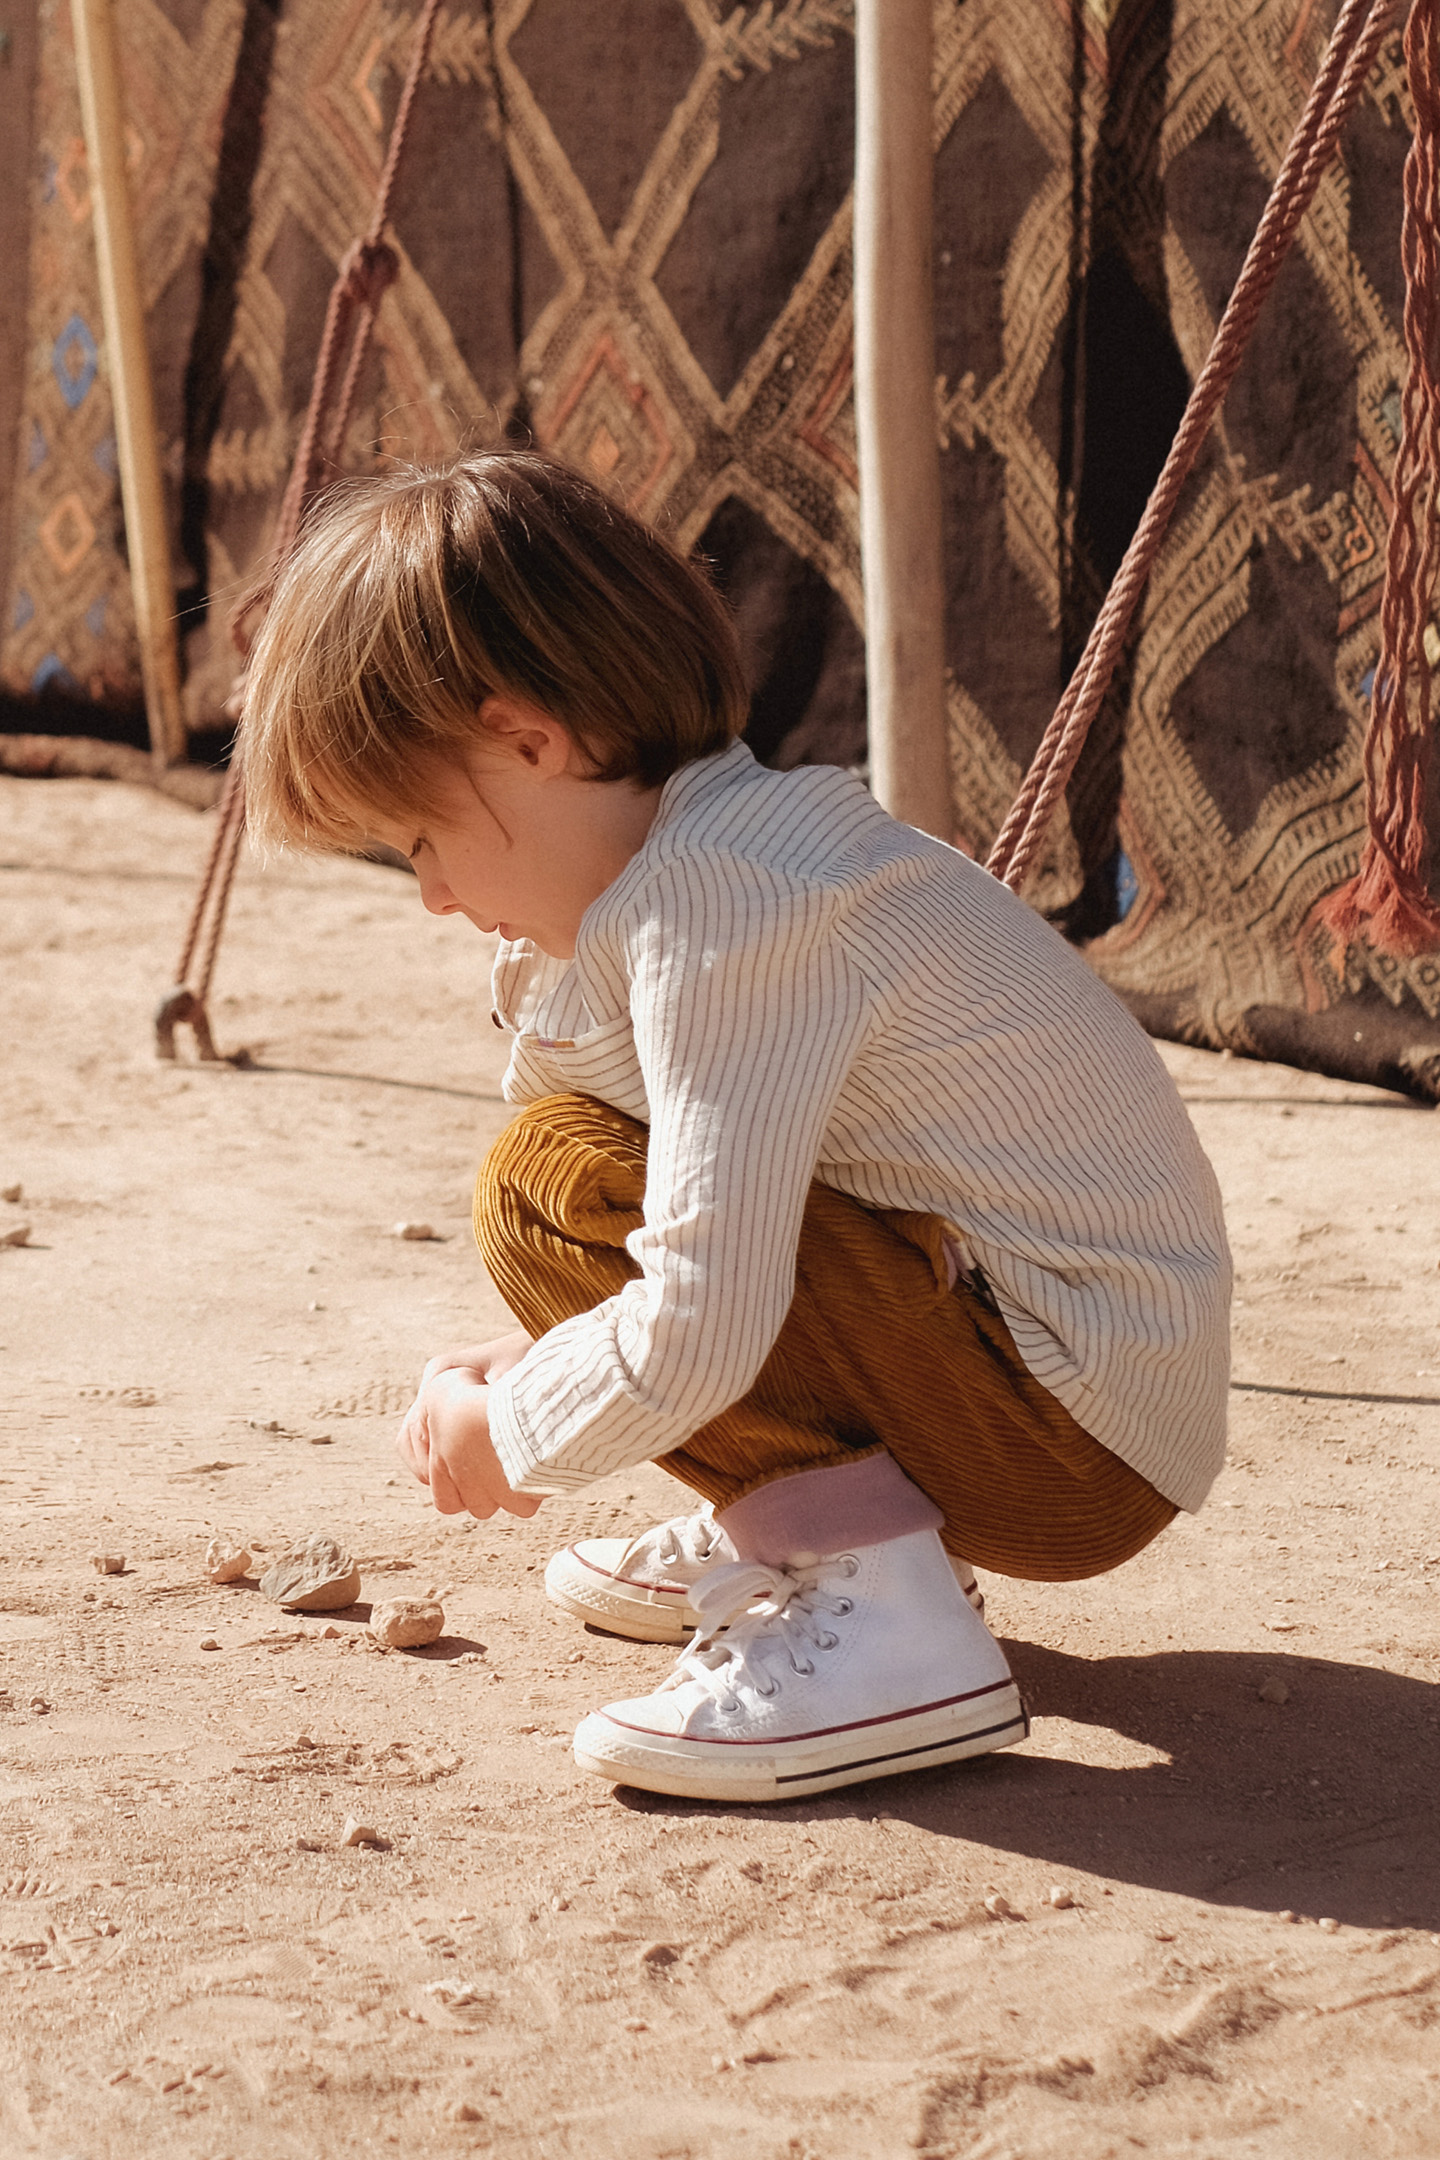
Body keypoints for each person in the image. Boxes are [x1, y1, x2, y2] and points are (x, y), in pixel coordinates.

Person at [241, 449, 1232, 1805]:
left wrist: (520, 1426)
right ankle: (836, 1524)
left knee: (548, 1187)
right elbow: (730, 1204)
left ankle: (883, 1615)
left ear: (529, 742)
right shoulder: (723, 856)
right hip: (1071, 1386)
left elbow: (704, 1302)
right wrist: (550, 1348)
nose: (428, 895)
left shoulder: (721, 912)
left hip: (1073, 1443)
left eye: (418, 839)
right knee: (575, 1170)